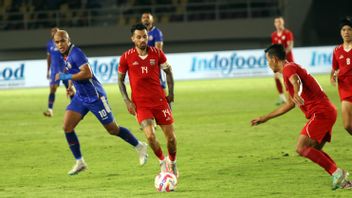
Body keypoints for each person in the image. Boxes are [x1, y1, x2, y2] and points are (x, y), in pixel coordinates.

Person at [251, 44, 351, 190]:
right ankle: (341, 179)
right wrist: (265, 117)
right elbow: (290, 104)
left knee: (301, 148)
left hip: (320, 113)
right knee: (313, 149)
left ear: (274, 59)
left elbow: (295, 80)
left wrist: (297, 92)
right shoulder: (290, 68)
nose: (268, 63)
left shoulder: (288, 68)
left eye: (268, 60)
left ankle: (338, 174)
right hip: (327, 111)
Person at [53, 30, 148, 175]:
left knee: (113, 130)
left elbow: (87, 73)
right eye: (57, 42)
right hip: (81, 97)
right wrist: (71, 85)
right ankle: (80, 162)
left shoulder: (76, 53)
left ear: (68, 40)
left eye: (62, 41)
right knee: (67, 127)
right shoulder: (64, 56)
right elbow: (73, 69)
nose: (60, 44)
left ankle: (140, 146)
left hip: (95, 97)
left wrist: (67, 76)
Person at [117, 23, 178, 178]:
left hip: (159, 100)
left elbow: (169, 72)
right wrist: (127, 101)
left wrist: (170, 93)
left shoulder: (157, 53)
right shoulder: (126, 57)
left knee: (171, 138)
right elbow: (120, 80)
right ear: (133, 39)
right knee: (150, 136)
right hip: (141, 103)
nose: (142, 39)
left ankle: (173, 162)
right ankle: (163, 162)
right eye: (139, 37)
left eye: (145, 36)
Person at [141, 12, 170, 107]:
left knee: (161, 86)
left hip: (155, 65)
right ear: (141, 20)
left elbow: (158, 51)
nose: (145, 19)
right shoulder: (140, 34)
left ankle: (167, 108)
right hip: (144, 65)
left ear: (152, 20)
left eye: (147, 17)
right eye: (144, 17)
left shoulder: (156, 32)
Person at [330, 17, 352, 136]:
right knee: (348, 125)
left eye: (349, 29)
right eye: (344, 30)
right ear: (341, 32)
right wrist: (333, 77)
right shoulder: (337, 50)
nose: (346, 32)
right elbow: (334, 69)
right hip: (345, 91)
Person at [43, 27, 71, 117]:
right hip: (55, 71)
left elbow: (69, 55)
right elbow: (49, 58)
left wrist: (69, 67)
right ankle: (50, 110)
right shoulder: (49, 44)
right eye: (53, 32)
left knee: (70, 89)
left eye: (56, 32)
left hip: (65, 69)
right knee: (52, 89)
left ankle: (77, 109)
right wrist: (48, 71)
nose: (54, 33)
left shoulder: (64, 43)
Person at [271, 17, 294, 105]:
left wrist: (282, 54)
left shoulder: (288, 33)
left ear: (283, 23)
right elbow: (274, 48)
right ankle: (282, 97)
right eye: (276, 22)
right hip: (279, 61)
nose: (278, 24)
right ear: (275, 24)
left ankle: (293, 96)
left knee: (288, 79)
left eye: (280, 22)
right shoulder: (274, 35)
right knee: (276, 76)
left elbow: (290, 46)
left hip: (288, 60)